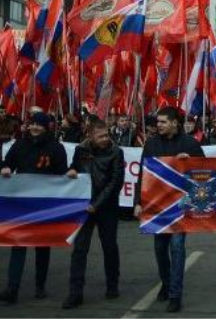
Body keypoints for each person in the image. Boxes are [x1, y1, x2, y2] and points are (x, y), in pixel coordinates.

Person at [134, 106, 205, 313]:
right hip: (157, 206)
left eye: (163, 122)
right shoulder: (151, 144)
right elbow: (142, 174)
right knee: (159, 249)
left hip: (181, 207)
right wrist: (138, 202)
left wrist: (190, 162)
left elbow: (204, 171)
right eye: (158, 122)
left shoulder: (190, 144)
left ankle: (175, 294)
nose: (159, 125)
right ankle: (166, 282)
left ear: (175, 123)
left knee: (177, 248)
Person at [0, 112, 68, 304]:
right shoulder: (19, 145)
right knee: (18, 244)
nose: (34, 128)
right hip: (22, 204)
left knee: (42, 247)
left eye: (39, 125)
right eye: (32, 124)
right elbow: (5, 163)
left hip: (45, 205)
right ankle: (12, 288)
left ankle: (40, 285)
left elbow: (62, 175)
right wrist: (3, 168)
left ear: (46, 127)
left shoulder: (56, 148)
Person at [62, 119, 125, 309]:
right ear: (90, 135)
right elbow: (74, 167)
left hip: (106, 207)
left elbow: (115, 182)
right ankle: (75, 292)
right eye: (100, 136)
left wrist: (96, 205)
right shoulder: (81, 150)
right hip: (84, 207)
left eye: (106, 135)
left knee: (109, 247)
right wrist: (71, 170)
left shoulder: (116, 152)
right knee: (79, 249)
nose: (105, 139)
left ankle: (112, 284)